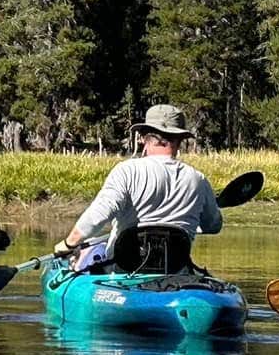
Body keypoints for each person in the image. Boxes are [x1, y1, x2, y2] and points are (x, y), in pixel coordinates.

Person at [56, 104, 224, 273]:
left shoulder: (127, 171)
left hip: (125, 269)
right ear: (180, 140)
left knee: (82, 261)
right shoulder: (199, 180)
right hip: (175, 271)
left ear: (144, 137)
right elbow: (213, 226)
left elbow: (98, 215)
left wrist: (69, 243)